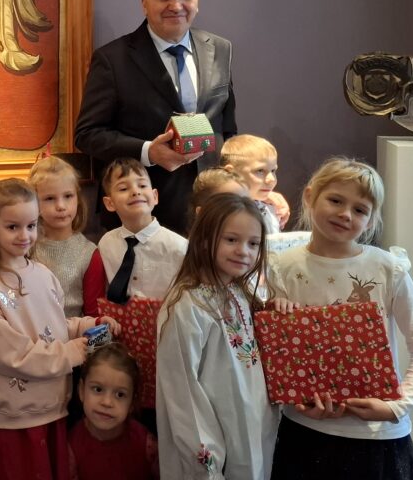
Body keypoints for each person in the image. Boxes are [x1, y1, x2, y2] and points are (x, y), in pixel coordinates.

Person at [268, 158, 413, 480]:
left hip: (377, 439)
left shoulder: (387, 269)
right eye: (335, 200)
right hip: (304, 434)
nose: (346, 214)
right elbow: (277, 356)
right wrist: (298, 400)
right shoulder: (280, 268)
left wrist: (396, 406)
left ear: (371, 220)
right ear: (310, 196)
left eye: (360, 209)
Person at [0, 179, 118, 480]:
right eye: (13, 227)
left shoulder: (44, 275)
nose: (25, 235)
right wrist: (70, 353)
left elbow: (54, 326)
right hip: (15, 418)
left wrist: (90, 325)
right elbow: (9, 353)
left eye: (31, 226)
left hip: (54, 408)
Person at [74, 0, 236, 234]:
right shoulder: (113, 59)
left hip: (213, 210)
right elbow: (87, 134)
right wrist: (149, 152)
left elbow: (228, 128)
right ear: (144, 2)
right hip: (144, 214)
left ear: (197, 0)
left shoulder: (220, 49)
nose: (176, 5)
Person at [156, 194, 279, 480]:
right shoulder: (187, 305)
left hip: (252, 433)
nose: (243, 251)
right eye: (231, 239)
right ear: (203, 239)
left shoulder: (239, 292)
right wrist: (207, 462)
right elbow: (183, 391)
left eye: (253, 243)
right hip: (215, 443)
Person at [83, 158, 187, 315]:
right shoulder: (106, 243)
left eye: (142, 185)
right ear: (110, 203)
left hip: (168, 324)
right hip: (119, 325)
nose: (136, 192)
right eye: (123, 188)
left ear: (155, 196)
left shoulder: (179, 247)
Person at [68, 343, 156, 480]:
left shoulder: (147, 445)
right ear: (81, 390)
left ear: (132, 403)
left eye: (120, 395)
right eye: (98, 389)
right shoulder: (70, 446)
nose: (107, 402)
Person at [28, 156, 96, 317]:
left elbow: (94, 315)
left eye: (68, 196)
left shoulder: (89, 253)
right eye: (50, 198)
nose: (61, 206)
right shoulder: (25, 247)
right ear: (34, 202)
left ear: (78, 199)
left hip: (74, 331)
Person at [220, 134, 285, 233]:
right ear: (231, 173)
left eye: (273, 171)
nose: (271, 179)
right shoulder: (223, 214)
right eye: (260, 170)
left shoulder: (271, 209)